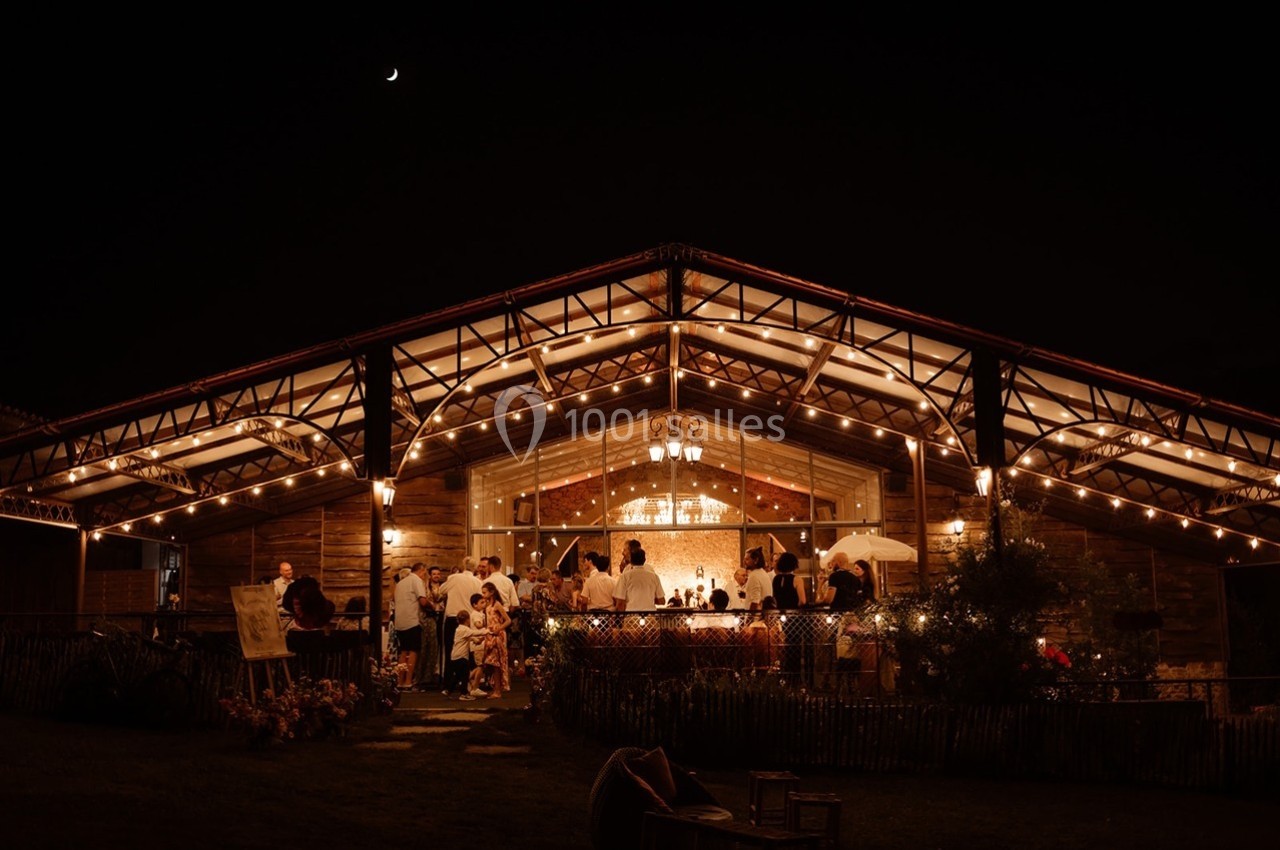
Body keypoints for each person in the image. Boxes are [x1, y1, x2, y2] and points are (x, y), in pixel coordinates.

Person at [440, 556, 483, 675]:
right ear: (475, 569)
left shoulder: (453, 578)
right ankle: (466, 678)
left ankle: (449, 679)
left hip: (453, 618)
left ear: (463, 566)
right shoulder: (478, 582)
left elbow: (441, 591)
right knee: (467, 651)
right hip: (468, 619)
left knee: (451, 649)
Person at [393, 563, 431, 689]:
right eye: (425, 573)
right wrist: (432, 606)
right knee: (413, 651)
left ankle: (400, 681)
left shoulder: (400, 583)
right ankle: (408, 681)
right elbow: (423, 601)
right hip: (412, 620)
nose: (425, 575)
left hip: (400, 621)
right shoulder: (416, 580)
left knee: (403, 652)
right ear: (421, 570)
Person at [443, 610, 486, 700]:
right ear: (467, 620)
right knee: (465, 675)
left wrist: (479, 640)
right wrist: (487, 631)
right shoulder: (465, 629)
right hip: (461, 657)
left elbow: (474, 639)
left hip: (454, 657)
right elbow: (475, 633)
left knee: (458, 675)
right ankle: (464, 694)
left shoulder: (459, 629)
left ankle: (448, 690)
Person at [480, 581, 512, 699]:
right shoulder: (487, 605)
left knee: (496, 663)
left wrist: (499, 628)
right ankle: (495, 688)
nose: (483, 595)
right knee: (490, 663)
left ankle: (498, 690)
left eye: (484, 592)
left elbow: (508, 620)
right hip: (490, 635)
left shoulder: (497, 605)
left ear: (491, 592)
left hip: (497, 635)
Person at [612, 548, 665, 612]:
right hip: (650, 616)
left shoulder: (625, 576)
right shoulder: (654, 576)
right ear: (644, 560)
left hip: (631, 616)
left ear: (631, 560)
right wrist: (648, 599)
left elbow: (620, 601)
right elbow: (662, 601)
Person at [743, 547, 772, 611]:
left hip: (756, 618)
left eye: (747, 559)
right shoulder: (764, 573)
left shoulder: (754, 576)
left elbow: (755, 601)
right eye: (744, 559)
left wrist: (749, 619)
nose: (744, 562)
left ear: (756, 560)